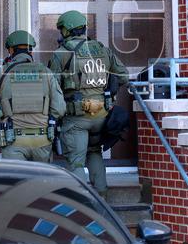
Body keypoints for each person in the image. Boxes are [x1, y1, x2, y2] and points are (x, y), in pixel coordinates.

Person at [48, 10, 128, 197]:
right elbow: (123, 75)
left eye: (62, 30)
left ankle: (82, 204)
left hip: (76, 118)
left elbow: (51, 86)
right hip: (101, 115)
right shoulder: (102, 49)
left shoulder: (61, 54)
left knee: (76, 161)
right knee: (94, 153)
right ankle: (103, 198)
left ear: (67, 30)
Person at [0, 30, 65, 162]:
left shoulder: (0, 74)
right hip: (42, 141)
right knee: (43, 182)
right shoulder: (46, 73)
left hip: (12, 142)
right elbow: (60, 108)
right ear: (31, 51)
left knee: (17, 182)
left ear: (11, 50)